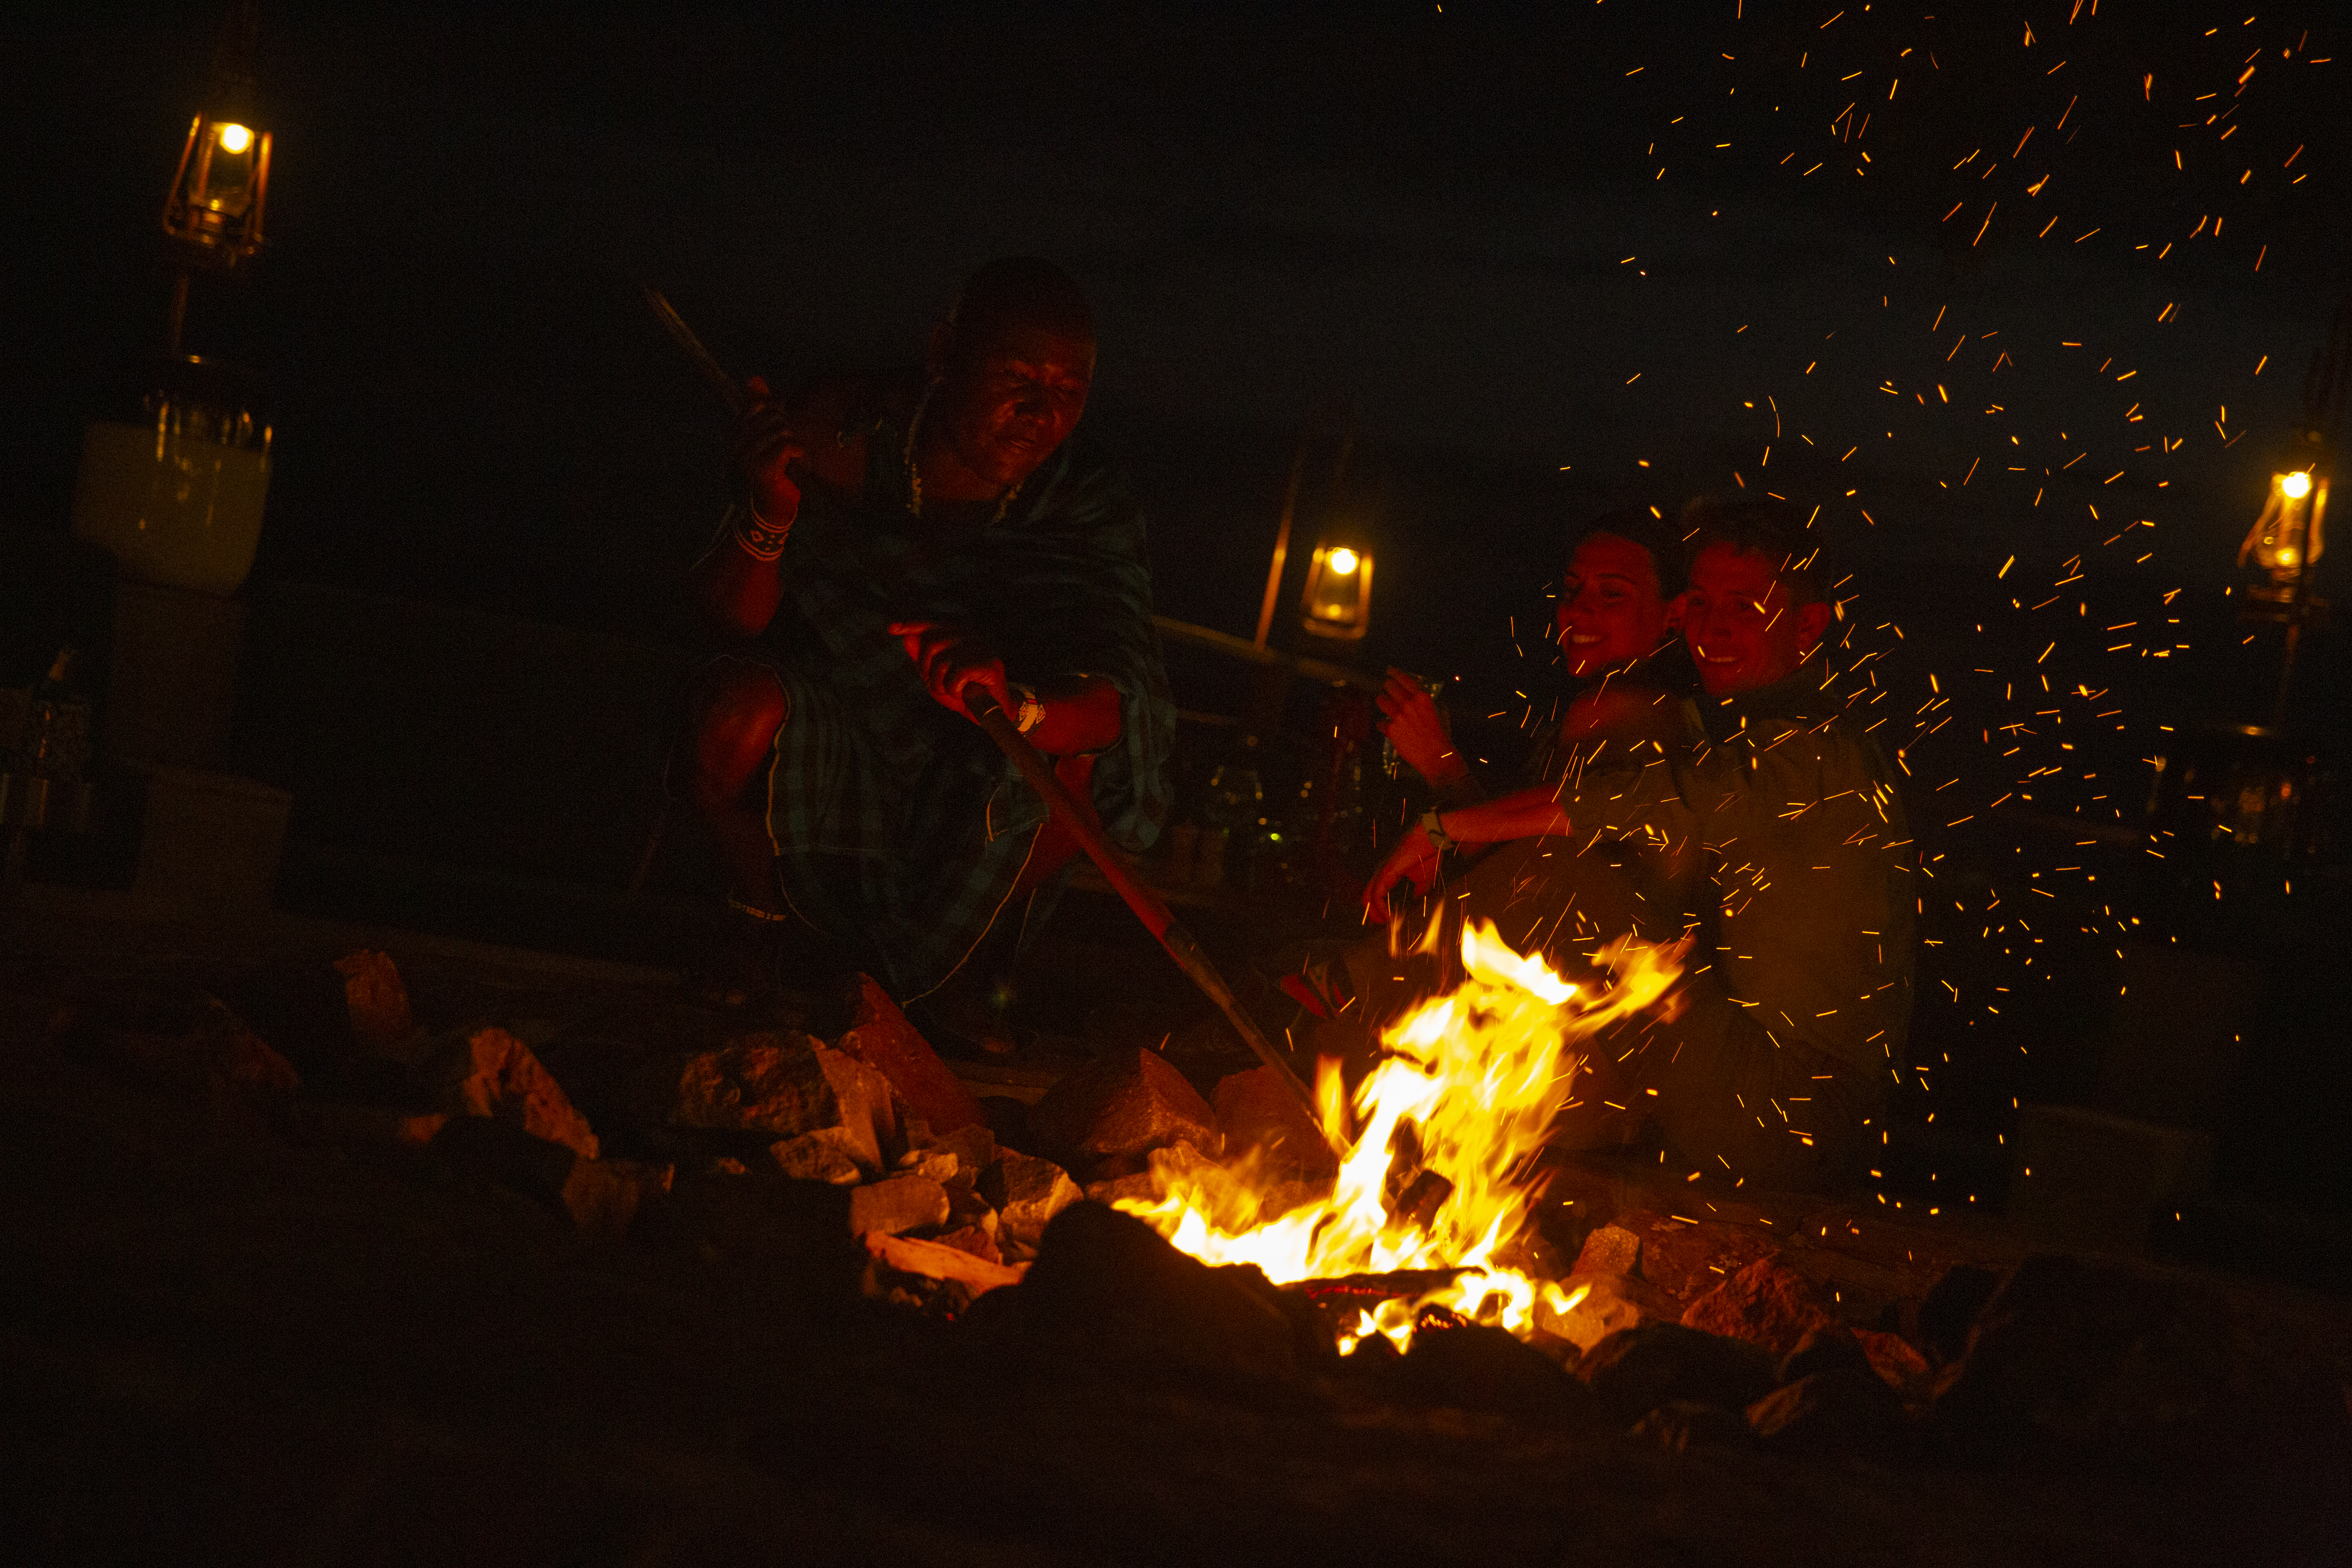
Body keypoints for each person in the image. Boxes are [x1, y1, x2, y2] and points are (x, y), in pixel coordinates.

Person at [1354, 496, 1915, 1191]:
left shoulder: (1808, 751)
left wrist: (1444, 809)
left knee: (1565, 882)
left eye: (1744, 608)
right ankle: (1372, 1033)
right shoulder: (1752, 730)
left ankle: (1348, 1008)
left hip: (1789, 1107)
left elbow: (1623, 822)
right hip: (1749, 1078)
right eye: (1705, 604)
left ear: (1808, 626)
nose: (1714, 629)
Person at [681, 257, 1174, 1026]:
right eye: (1016, 378)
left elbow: (1115, 697)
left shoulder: (1083, 496)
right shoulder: (837, 435)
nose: (1039, 412)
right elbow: (730, 619)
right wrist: (771, 508)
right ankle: (761, 923)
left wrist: (1020, 704)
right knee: (735, 711)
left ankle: (974, 955)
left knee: (1085, 763)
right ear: (945, 355)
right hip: (846, 712)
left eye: (1066, 392)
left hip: (986, 743)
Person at [1374, 506, 1697, 811]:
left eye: (1612, 593)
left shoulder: (1608, 712)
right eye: (1572, 588)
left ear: (1675, 614)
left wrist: (1438, 762)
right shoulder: (1676, 714)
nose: (1578, 608)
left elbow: (1534, 865)